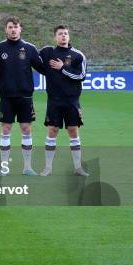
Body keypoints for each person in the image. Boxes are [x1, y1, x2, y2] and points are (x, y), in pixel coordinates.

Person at [0, 17, 44, 175]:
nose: (13, 30)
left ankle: (27, 167)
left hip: (25, 96)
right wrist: (2, 75)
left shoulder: (29, 48)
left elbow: (42, 68)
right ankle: (4, 167)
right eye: (10, 27)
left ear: (20, 29)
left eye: (16, 27)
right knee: (5, 129)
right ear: (6, 29)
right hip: (6, 96)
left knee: (26, 129)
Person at [39, 25, 89, 176]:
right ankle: (48, 168)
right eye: (60, 34)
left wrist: (62, 68)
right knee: (52, 131)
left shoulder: (77, 55)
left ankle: (78, 167)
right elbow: (33, 60)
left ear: (69, 36)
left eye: (66, 34)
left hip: (72, 101)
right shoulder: (48, 52)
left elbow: (81, 76)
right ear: (55, 37)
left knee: (73, 131)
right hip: (54, 101)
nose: (63, 36)